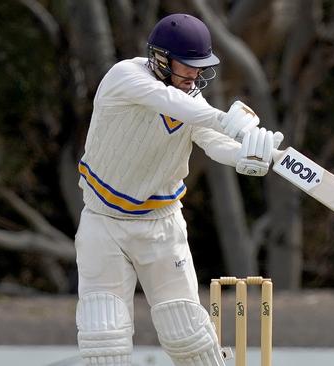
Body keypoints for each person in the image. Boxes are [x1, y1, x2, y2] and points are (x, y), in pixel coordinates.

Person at [74, 13, 283, 366]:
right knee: (103, 339)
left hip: (162, 227)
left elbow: (213, 141)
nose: (195, 76)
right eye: (187, 67)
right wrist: (226, 121)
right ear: (160, 59)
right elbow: (172, 104)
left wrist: (246, 155)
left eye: (200, 68)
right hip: (103, 223)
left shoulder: (194, 102)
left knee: (187, 336)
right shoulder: (124, 77)